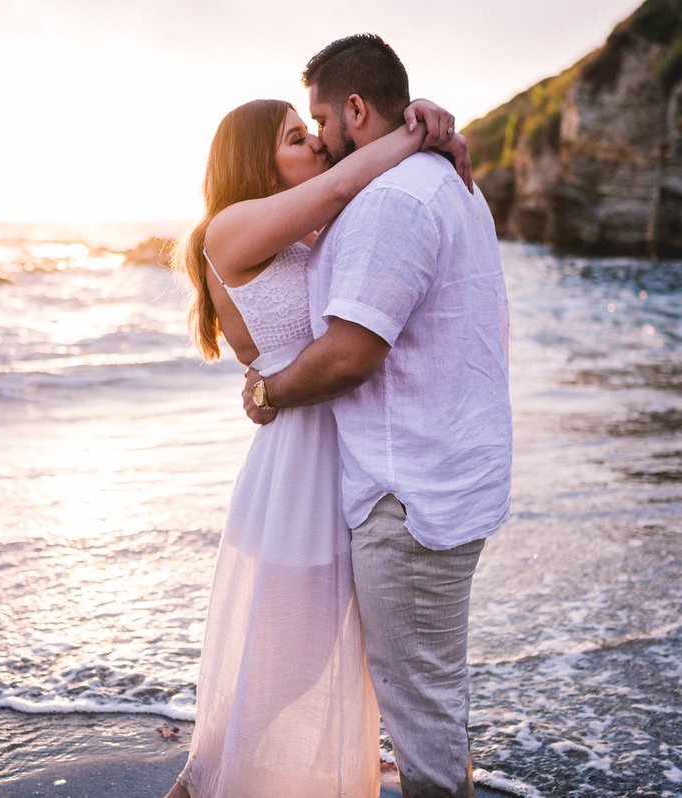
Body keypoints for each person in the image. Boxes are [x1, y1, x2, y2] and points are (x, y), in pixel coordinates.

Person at [162, 92, 470, 798]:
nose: (316, 145)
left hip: (341, 453)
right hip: (298, 469)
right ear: (254, 163)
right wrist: (416, 131)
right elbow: (343, 180)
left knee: (341, 654)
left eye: (312, 131)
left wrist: (411, 119)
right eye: (296, 138)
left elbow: (356, 194)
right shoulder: (231, 228)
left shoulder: (305, 230)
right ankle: (199, 784)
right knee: (287, 666)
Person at [241, 34, 512, 798]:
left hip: (409, 490)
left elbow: (350, 354)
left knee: (418, 700)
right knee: (430, 687)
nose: (319, 138)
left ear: (355, 110)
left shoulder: (391, 201)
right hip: (446, 467)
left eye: (320, 119)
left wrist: (270, 392)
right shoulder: (442, 179)